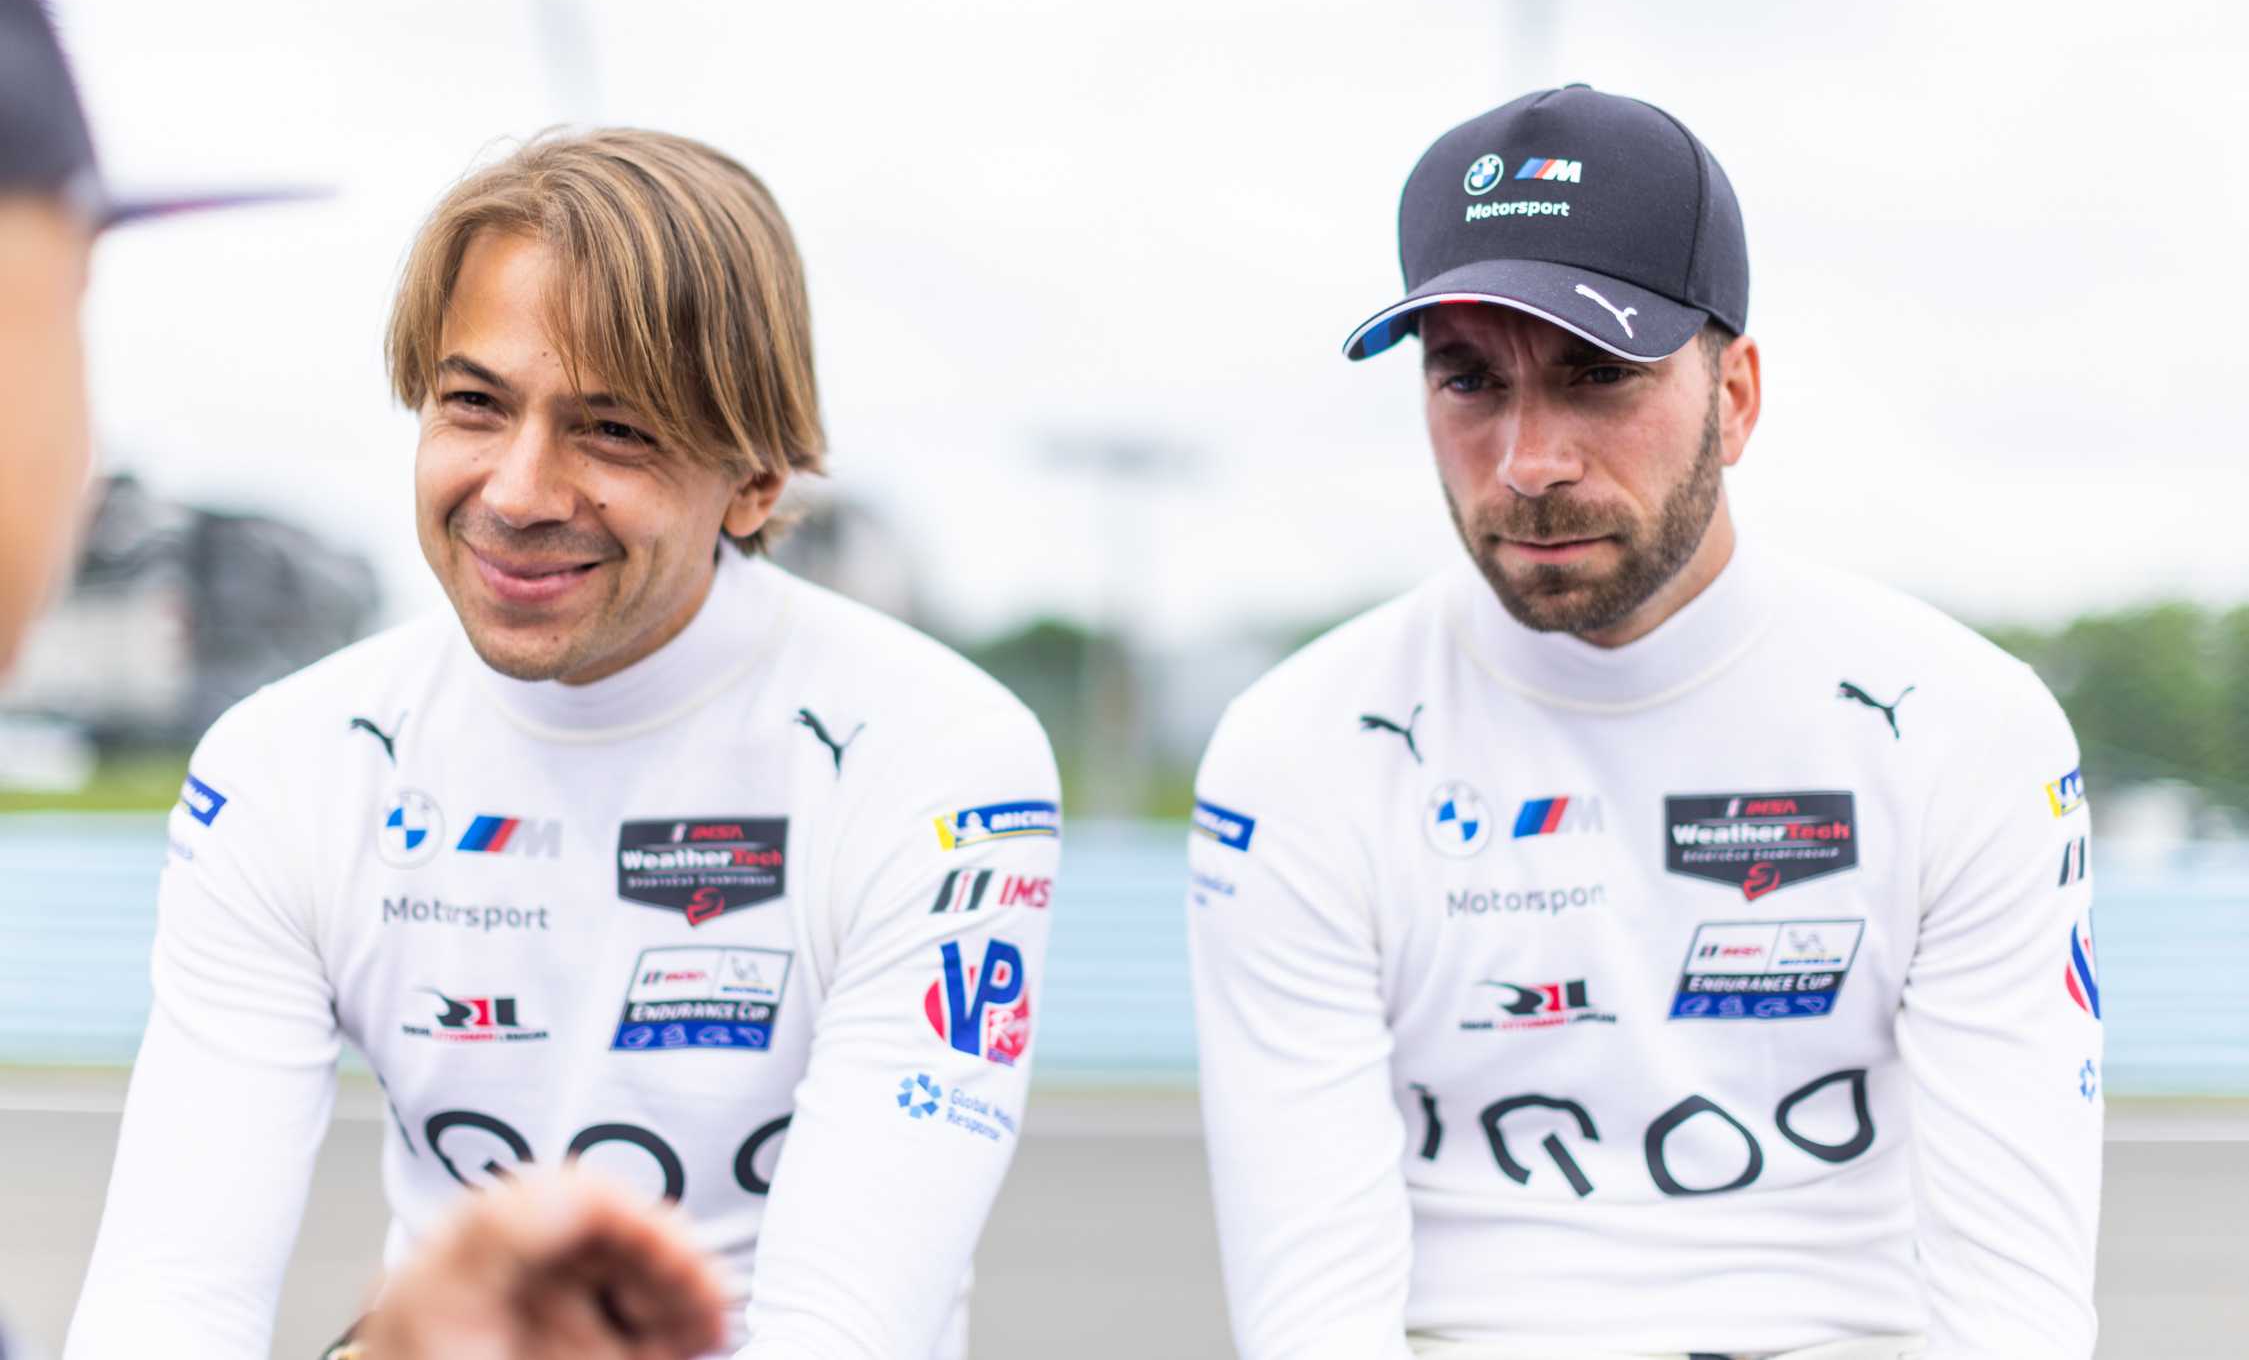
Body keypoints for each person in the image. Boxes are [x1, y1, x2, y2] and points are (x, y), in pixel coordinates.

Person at [64, 127, 1062, 1360]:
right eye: (474, 405)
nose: (519, 493)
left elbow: (842, 1333)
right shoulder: (286, 763)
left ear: (756, 480)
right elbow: (169, 1299)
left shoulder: (937, 756)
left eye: (614, 430)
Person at [1185, 85, 2101, 1360]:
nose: (1529, 461)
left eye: (1598, 375)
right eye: (1466, 378)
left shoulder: (1961, 727)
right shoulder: (1297, 748)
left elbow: (2012, 1310)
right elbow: (1312, 1316)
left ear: (1736, 395)